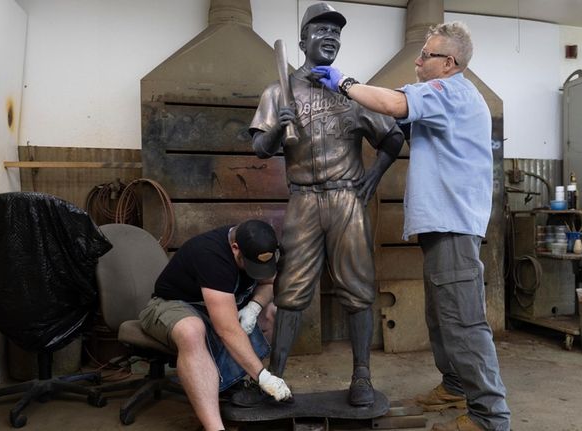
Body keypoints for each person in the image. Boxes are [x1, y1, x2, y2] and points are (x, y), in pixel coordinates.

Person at [311, 21, 511, 431]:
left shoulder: (450, 91)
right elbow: (403, 127)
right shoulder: (445, 96)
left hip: (454, 227)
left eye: (427, 55)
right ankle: (455, 387)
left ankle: (490, 417)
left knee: (464, 322)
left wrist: (343, 82)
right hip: (442, 227)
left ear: (449, 63)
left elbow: (393, 105)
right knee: (442, 317)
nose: (418, 61)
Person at [247, 2, 404, 407]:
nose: (330, 36)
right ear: (303, 41)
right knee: (291, 290)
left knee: (357, 288)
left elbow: (392, 138)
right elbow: (259, 148)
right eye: (321, 30)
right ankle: (274, 375)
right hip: (303, 200)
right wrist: (278, 129)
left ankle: (362, 376)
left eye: (336, 31)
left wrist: (373, 176)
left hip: (346, 198)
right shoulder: (277, 91)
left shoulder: (351, 92)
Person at [138, 219, 292, 431]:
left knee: (273, 311)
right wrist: (261, 373)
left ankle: (255, 388)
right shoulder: (211, 255)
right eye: (249, 265)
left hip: (214, 307)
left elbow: (268, 283)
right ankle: (215, 427)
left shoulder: (256, 244)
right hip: (170, 305)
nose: (254, 270)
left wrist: (254, 307)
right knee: (191, 331)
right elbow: (226, 330)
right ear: (235, 247)